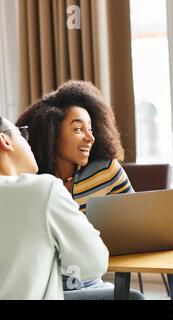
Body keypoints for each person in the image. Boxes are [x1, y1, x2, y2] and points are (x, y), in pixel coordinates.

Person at [15, 81, 140, 299]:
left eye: (90, 129)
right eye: (78, 129)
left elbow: (139, 222)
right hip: (47, 287)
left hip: (92, 282)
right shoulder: (32, 182)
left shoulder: (106, 170)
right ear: (53, 133)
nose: (90, 137)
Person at [0, 116, 108, 299]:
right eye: (22, 133)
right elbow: (94, 263)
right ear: (5, 141)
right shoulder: (43, 190)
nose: (29, 143)